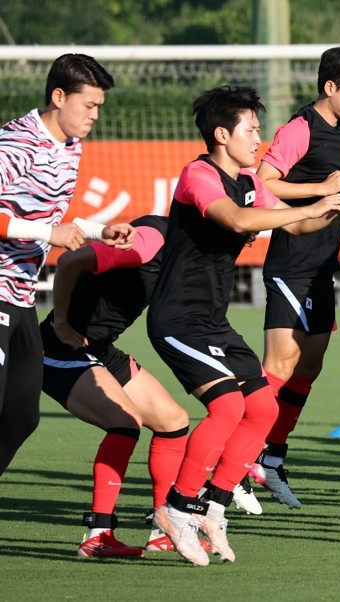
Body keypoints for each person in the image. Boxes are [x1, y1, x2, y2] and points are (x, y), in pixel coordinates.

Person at [147, 85, 340, 566]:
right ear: (222, 134)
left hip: (213, 321)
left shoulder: (245, 178)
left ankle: (215, 505)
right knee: (226, 407)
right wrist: (315, 202)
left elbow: (293, 224)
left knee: (261, 409)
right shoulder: (198, 175)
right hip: (177, 318)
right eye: (252, 129)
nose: (258, 138)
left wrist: (333, 206)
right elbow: (238, 221)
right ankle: (177, 509)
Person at [252, 46, 340, 508]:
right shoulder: (299, 128)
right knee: (279, 367)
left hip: (323, 266)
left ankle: (272, 459)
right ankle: (242, 458)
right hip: (292, 262)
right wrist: (322, 188)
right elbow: (264, 182)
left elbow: (327, 182)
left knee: (308, 367)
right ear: (331, 87)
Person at [0, 53, 132, 478]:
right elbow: (44, 229)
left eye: (99, 107)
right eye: (89, 105)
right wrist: (45, 234)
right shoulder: (16, 144)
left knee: (22, 416)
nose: (95, 115)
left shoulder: (71, 146)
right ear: (59, 96)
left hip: (20, 298)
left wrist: (99, 231)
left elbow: (53, 221)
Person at [40, 215, 192, 558]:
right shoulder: (152, 240)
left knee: (174, 421)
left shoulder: (189, 252)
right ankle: (97, 534)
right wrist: (62, 322)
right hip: (61, 348)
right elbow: (69, 260)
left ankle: (164, 528)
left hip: (100, 350)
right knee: (124, 423)